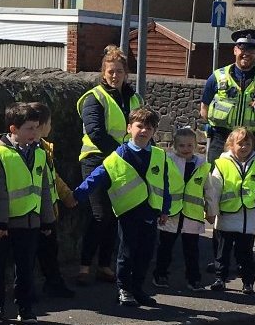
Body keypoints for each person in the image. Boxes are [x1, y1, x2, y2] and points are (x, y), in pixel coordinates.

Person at [73, 107, 180, 308]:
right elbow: (97, 176)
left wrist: (165, 209)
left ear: (154, 131)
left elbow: (164, 184)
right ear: (129, 128)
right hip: (129, 212)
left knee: (146, 253)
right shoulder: (118, 156)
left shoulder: (159, 155)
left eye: (149, 128)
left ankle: (138, 288)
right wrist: (77, 194)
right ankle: (124, 289)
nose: (144, 131)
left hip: (150, 212)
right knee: (127, 253)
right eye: (139, 126)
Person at [76, 45, 143, 286]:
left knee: (116, 214)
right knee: (99, 215)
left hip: (124, 161)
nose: (114, 76)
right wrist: (122, 152)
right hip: (96, 159)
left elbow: (143, 129)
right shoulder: (94, 98)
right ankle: (84, 266)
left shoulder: (134, 98)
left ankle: (104, 265)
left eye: (119, 71)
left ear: (126, 73)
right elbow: (95, 132)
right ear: (103, 73)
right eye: (110, 71)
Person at [0, 102, 57, 322]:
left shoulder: (40, 154)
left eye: (36, 128)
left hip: (31, 221)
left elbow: (44, 189)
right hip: (4, 224)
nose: (34, 133)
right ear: (13, 130)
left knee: (26, 268)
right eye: (29, 128)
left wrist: (47, 221)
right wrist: (0, 223)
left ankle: (25, 306)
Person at [205, 127, 255, 295]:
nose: (244, 147)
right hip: (226, 218)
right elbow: (214, 190)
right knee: (222, 253)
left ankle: (248, 282)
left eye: (247, 144)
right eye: (240, 144)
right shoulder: (221, 164)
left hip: (248, 219)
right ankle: (220, 279)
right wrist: (212, 211)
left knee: (246, 255)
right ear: (230, 145)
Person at [200, 29, 255, 162]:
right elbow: (204, 110)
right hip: (221, 139)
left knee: (251, 181)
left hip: (253, 142)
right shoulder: (217, 77)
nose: (246, 54)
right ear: (235, 50)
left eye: (251, 50)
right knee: (216, 180)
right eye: (242, 49)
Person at [152, 127, 213, 292]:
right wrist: (159, 208)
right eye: (182, 146)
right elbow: (160, 185)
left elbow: (209, 189)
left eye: (189, 146)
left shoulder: (202, 165)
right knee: (165, 247)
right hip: (170, 213)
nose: (186, 149)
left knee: (192, 250)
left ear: (195, 146)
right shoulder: (168, 161)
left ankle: (193, 279)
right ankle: (160, 274)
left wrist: (211, 211)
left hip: (192, 214)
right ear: (174, 146)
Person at [29, 102, 77, 299]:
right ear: (41, 125)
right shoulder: (33, 149)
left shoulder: (43, 148)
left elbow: (52, 176)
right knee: (33, 253)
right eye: (49, 122)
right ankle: (34, 288)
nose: (51, 127)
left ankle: (53, 283)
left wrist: (65, 194)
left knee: (49, 250)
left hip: (48, 209)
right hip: (35, 209)